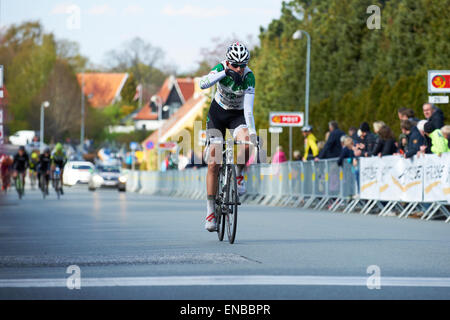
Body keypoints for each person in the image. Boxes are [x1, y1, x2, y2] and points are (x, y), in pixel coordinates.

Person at [199, 42, 257, 232]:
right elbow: (203, 84)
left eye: (243, 65)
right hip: (217, 114)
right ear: (228, 62)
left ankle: (238, 174)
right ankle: (209, 212)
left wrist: (254, 133)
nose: (239, 69)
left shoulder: (248, 77)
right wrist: (224, 73)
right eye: (235, 65)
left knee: (248, 144)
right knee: (214, 162)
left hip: (237, 115)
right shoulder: (221, 68)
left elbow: (248, 109)